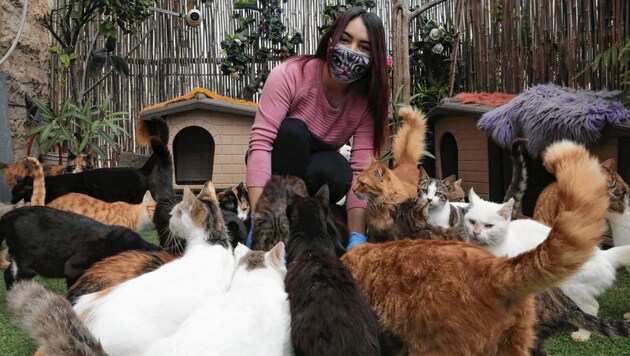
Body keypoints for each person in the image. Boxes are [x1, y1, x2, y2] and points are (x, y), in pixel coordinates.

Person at [245, 6, 389, 249]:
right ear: (331, 40)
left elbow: (360, 172)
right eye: (345, 39)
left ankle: (309, 215)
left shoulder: (366, 102)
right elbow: (261, 143)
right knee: (293, 133)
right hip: (281, 162)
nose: (352, 52)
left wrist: (357, 236)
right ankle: (278, 213)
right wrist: (258, 218)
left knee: (337, 171)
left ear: (374, 57)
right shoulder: (289, 75)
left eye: (364, 47)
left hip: (315, 174)